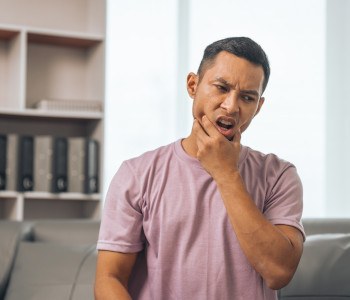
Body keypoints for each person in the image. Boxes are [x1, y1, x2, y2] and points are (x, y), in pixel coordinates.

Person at [94, 37, 304, 300]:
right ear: (193, 85)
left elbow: (279, 272)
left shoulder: (280, 176)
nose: (231, 106)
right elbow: (109, 279)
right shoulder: (136, 174)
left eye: (247, 97)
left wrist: (226, 173)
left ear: (258, 107)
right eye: (221, 88)